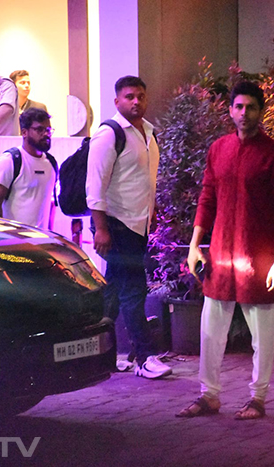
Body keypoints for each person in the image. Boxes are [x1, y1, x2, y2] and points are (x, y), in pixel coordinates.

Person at [178, 81, 274, 420]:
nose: (244, 113)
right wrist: (194, 245)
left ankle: (258, 398)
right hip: (219, 252)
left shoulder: (273, 154)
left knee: (261, 330)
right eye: (239, 107)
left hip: (257, 253)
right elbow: (207, 198)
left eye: (252, 107)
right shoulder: (219, 149)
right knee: (211, 329)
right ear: (230, 110)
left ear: (262, 111)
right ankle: (209, 395)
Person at [85, 75, 172, 379]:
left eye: (141, 96)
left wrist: (152, 210)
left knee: (114, 289)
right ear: (117, 101)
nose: (136, 102)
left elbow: (143, 178)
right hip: (117, 224)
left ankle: (101, 355)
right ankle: (145, 356)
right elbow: (95, 186)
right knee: (134, 289)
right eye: (129, 97)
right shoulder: (109, 134)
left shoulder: (148, 132)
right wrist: (100, 229)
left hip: (139, 224)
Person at [0, 108, 56, 229]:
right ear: (24, 132)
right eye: (40, 129)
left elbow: (50, 205)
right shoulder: (8, 161)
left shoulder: (51, 163)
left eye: (48, 130)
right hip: (13, 242)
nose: (46, 134)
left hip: (41, 241)